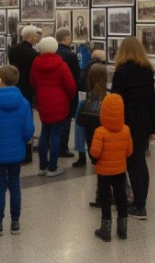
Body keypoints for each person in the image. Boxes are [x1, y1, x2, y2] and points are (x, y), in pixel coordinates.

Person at [0, 65, 34, 236]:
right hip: (17, 151)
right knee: (15, 185)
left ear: (0, 80)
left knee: (0, 187)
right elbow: (28, 129)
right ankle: (15, 222)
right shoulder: (24, 103)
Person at [111, 36, 155, 220]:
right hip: (143, 124)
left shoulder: (121, 72)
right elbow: (152, 101)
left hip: (126, 124)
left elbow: (116, 101)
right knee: (141, 163)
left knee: (131, 164)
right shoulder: (147, 71)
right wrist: (152, 128)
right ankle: (141, 201)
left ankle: (139, 206)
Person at [30, 36, 76, 177]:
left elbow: (32, 82)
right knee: (55, 134)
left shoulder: (36, 63)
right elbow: (71, 86)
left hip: (43, 102)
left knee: (44, 133)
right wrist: (68, 97)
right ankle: (52, 167)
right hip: (59, 102)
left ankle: (42, 167)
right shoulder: (61, 65)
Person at [90, 93, 133, 242]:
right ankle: (123, 230)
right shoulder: (126, 130)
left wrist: (94, 160)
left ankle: (106, 230)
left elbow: (95, 153)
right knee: (121, 198)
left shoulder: (100, 132)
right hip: (120, 170)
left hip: (104, 173)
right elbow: (129, 151)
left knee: (106, 198)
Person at [7, 25, 39, 164]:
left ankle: (15, 148)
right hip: (27, 89)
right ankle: (27, 154)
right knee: (27, 121)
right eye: (36, 36)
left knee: (14, 119)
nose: (36, 38)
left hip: (14, 86)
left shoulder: (13, 50)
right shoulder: (33, 54)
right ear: (31, 37)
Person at [74, 49, 106, 168]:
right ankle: (95, 157)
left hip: (85, 100)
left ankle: (83, 156)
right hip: (93, 101)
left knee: (83, 130)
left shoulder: (87, 65)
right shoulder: (98, 67)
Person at [55, 28, 80, 160]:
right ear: (66, 39)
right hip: (67, 93)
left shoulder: (53, 53)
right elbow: (76, 76)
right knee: (65, 121)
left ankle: (53, 144)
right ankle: (63, 148)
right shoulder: (71, 55)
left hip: (54, 92)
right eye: (70, 37)